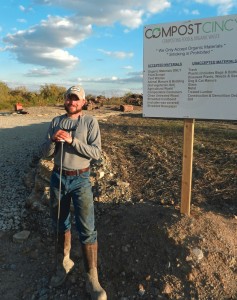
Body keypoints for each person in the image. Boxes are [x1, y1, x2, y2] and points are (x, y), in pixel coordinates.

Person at [41, 85, 107, 300]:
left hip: (81, 179)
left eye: (76, 99)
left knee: (87, 227)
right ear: (65, 100)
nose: (72, 102)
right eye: (69, 98)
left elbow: (96, 153)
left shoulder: (90, 122)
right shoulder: (55, 122)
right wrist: (53, 141)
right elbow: (46, 154)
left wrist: (72, 141)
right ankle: (64, 264)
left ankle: (92, 278)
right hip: (58, 177)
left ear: (83, 102)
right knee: (60, 223)